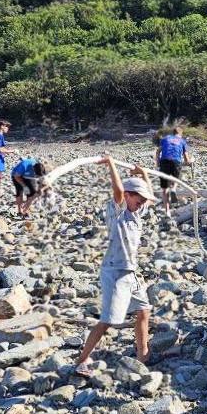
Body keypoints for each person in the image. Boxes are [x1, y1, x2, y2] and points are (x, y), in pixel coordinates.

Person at [74, 157, 157, 377]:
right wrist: (111, 164)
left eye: (141, 203)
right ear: (128, 197)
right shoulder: (118, 211)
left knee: (143, 311)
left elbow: (149, 197)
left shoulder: (136, 213)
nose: (141, 205)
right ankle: (82, 360)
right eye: (137, 201)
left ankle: (143, 354)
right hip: (115, 271)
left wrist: (143, 173)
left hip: (131, 271)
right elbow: (119, 190)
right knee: (108, 321)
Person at [155, 126, 192, 215]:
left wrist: (157, 163)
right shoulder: (182, 141)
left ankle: (167, 211)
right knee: (177, 177)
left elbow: (158, 151)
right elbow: (186, 158)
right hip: (176, 162)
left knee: (164, 188)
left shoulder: (165, 139)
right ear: (180, 134)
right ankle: (174, 189)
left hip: (164, 161)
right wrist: (190, 162)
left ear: (173, 133)